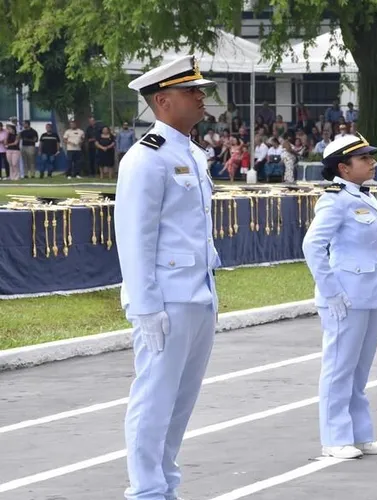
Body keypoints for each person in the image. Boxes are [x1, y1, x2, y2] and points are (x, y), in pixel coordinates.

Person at [115, 55, 222, 500]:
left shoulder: (193, 154)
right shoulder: (146, 159)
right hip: (166, 299)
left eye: (200, 89)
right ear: (162, 100)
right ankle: (145, 490)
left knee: (180, 403)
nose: (201, 96)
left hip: (199, 293)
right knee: (154, 398)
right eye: (190, 90)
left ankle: (165, 485)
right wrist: (145, 306)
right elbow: (134, 236)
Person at [302, 133, 377, 459]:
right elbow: (312, 245)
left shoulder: (364, 196)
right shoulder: (335, 200)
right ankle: (335, 437)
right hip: (345, 297)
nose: (372, 162)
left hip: (369, 293)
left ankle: (359, 433)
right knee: (339, 368)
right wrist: (331, 292)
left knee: (359, 370)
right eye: (364, 158)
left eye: (370, 156)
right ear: (344, 167)